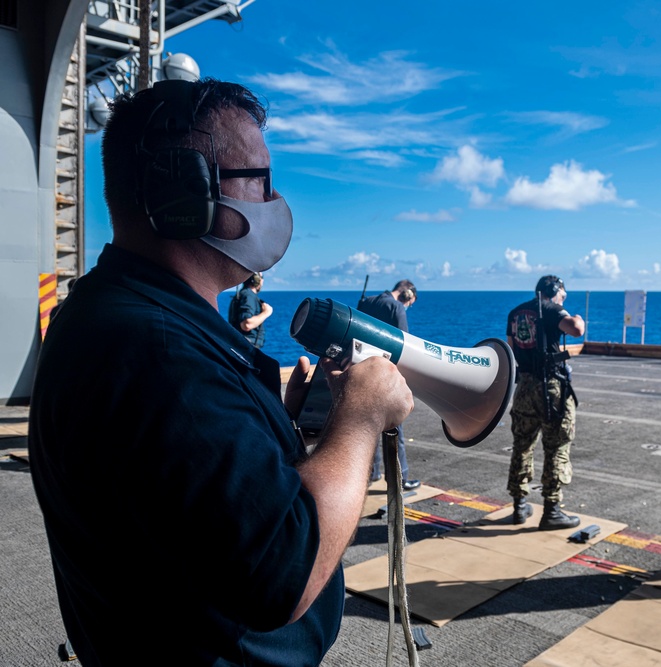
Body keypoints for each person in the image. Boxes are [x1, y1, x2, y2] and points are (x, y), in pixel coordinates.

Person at [28, 78, 413, 666]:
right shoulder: (158, 354)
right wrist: (361, 419)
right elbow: (286, 569)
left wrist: (275, 432)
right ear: (184, 192)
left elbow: (181, 488)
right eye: (258, 179)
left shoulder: (114, 312)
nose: (274, 199)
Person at [506, 275, 586, 530]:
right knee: (557, 445)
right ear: (554, 290)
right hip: (550, 387)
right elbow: (576, 329)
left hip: (525, 386)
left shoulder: (516, 312)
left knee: (522, 444)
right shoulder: (552, 309)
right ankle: (552, 509)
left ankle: (519, 505)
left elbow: (511, 347)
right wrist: (573, 312)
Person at [356, 279, 421, 491]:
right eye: (410, 303)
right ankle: (399, 479)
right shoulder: (396, 307)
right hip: (386, 374)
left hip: (363, 371)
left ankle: (371, 472)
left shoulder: (367, 301)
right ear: (408, 294)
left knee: (369, 428)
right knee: (394, 430)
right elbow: (406, 345)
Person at [228, 271, 272, 348]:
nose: (262, 281)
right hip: (246, 347)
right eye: (261, 278)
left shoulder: (244, 294)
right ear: (256, 279)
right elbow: (246, 324)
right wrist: (266, 312)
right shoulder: (248, 296)